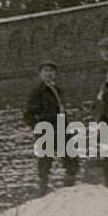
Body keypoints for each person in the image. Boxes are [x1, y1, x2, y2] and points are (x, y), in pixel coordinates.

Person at [23, 61, 78, 193]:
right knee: (45, 161)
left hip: (61, 127)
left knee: (71, 156)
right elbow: (28, 115)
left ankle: (70, 186)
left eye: (51, 71)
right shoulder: (37, 92)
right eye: (46, 71)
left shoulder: (57, 90)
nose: (49, 74)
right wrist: (39, 127)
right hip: (46, 129)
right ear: (40, 74)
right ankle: (43, 190)